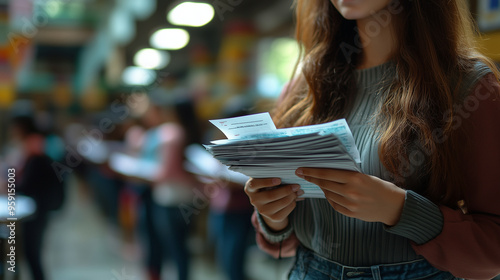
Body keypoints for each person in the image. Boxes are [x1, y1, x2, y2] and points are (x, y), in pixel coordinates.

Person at [244, 1, 500, 280]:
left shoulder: (469, 87)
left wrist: (401, 210)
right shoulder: (305, 87)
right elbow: (283, 240)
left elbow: (492, 252)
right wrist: (273, 216)